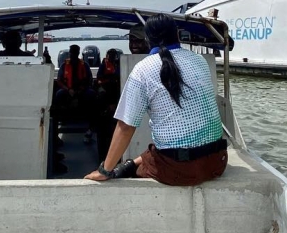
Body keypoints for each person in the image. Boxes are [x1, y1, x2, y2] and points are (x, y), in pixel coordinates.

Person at [85, 14, 226, 186]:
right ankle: (129, 165)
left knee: (141, 163)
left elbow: (126, 127)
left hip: (179, 170)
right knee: (151, 152)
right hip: (217, 161)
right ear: (177, 35)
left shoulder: (143, 69)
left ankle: (121, 168)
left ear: (148, 39)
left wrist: (104, 171)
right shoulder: (199, 60)